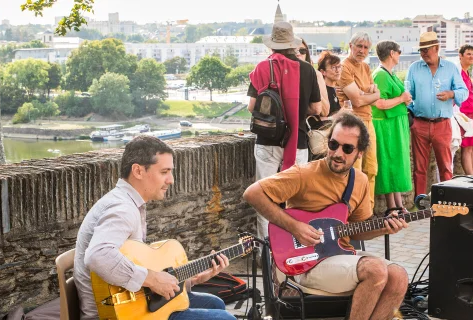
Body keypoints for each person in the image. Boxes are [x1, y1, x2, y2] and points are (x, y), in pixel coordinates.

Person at [243, 112, 409, 320]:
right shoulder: (304, 174)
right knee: (375, 270)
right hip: (306, 262)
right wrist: (295, 227)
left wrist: (385, 228)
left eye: (347, 148)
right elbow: (252, 193)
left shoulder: (360, 181)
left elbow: (358, 230)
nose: (338, 153)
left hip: (340, 256)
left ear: (359, 153)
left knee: (399, 276)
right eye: (333, 145)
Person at [74, 136, 235, 320]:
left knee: (215, 303)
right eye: (164, 171)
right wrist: (152, 279)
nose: (171, 180)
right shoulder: (122, 209)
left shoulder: (129, 203)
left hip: (134, 302)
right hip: (116, 313)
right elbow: (98, 255)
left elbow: (139, 265)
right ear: (138, 171)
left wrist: (194, 279)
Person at [247, 21, 322, 239]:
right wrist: (295, 111)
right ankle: (291, 247)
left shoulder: (262, 68)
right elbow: (317, 108)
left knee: (264, 198)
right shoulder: (308, 69)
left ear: (272, 45)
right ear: (292, 45)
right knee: (296, 198)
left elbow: (252, 106)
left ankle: (267, 250)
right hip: (297, 141)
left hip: (267, 139)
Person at [406, 31, 468, 196]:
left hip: (442, 124)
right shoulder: (414, 68)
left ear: (437, 48)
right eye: (421, 50)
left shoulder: (450, 68)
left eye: (427, 49)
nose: (424, 53)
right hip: (420, 123)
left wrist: (451, 94)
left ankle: (446, 200)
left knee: (446, 167)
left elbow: (464, 91)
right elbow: (407, 94)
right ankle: (420, 203)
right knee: (419, 168)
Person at [337, 32, 380, 208]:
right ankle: (355, 211)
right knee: (355, 170)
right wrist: (369, 93)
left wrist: (369, 93)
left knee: (371, 169)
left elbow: (375, 95)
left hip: (368, 120)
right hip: (353, 123)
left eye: (365, 48)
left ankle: (367, 210)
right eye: (359, 46)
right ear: (351, 46)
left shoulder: (366, 68)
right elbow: (357, 101)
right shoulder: (344, 67)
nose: (362, 50)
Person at [371, 40, 413, 210]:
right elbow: (379, 103)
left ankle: (399, 204)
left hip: (395, 125)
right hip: (386, 127)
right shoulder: (380, 75)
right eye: (399, 51)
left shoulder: (390, 73)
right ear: (391, 53)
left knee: (396, 163)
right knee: (389, 163)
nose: (400, 54)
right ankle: (392, 207)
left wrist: (405, 100)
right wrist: (401, 99)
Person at [457, 44, 473, 176]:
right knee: (467, 147)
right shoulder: (458, 72)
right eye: (468, 54)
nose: (472, 56)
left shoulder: (467, 72)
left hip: (472, 114)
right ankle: (471, 178)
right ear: (460, 56)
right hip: (464, 115)